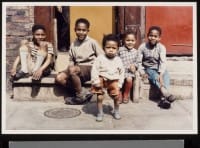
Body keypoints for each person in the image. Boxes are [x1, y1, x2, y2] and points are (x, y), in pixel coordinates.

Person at [55, 18, 104, 104]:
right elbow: (71, 59)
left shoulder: (92, 42)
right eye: (79, 30)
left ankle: (79, 96)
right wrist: (69, 68)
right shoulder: (73, 44)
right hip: (77, 69)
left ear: (88, 31)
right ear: (75, 30)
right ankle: (83, 92)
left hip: (90, 68)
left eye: (84, 30)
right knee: (59, 78)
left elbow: (101, 57)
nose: (81, 32)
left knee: (72, 70)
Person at [137, 26, 176, 109]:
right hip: (149, 68)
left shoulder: (161, 47)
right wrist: (142, 72)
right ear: (147, 36)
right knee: (155, 77)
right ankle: (166, 95)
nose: (153, 38)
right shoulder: (142, 47)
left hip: (159, 68)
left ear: (159, 38)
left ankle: (163, 99)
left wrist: (161, 74)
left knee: (165, 76)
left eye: (155, 36)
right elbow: (138, 62)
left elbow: (163, 62)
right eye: (151, 35)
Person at [91, 34, 124, 122]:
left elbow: (122, 73)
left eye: (114, 48)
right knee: (100, 97)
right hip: (102, 79)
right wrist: (96, 80)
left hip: (114, 80)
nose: (110, 50)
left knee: (117, 97)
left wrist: (120, 83)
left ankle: (116, 111)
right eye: (108, 47)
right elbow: (94, 70)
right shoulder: (100, 58)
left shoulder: (118, 60)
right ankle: (100, 112)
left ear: (117, 49)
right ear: (103, 47)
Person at [118, 30, 140, 104]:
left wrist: (134, 66)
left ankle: (126, 94)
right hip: (119, 71)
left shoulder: (136, 52)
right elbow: (115, 59)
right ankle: (119, 93)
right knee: (118, 80)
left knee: (129, 79)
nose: (130, 42)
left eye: (132, 40)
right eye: (128, 40)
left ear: (135, 41)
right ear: (124, 40)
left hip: (129, 72)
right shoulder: (120, 50)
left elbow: (137, 62)